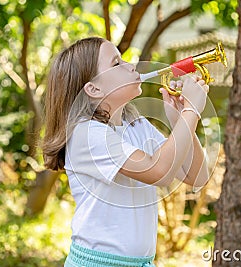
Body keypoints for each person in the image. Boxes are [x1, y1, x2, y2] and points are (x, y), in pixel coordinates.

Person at [42, 36, 210, 267]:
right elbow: (160, 172)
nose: (131, 66)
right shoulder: (87, 134)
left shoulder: (136, 124)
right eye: (116, 63)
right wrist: (191, 111)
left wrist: (180, 119)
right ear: (93, 88)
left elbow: (196, 176)